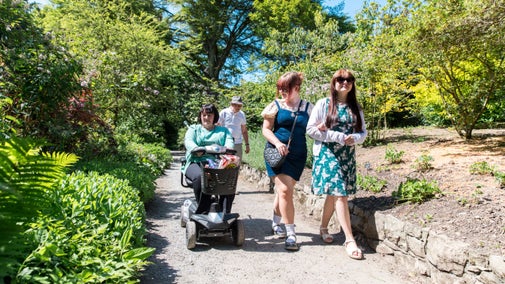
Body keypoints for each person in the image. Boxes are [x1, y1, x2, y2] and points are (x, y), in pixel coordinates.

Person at [306, 69, 367, 260]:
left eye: (349, 80)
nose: (345, 82)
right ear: (334, 83)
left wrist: (354, 138)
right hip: (328, 153)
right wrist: (337, 136)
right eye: (340, 79)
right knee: (340, 193)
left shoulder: (355, 106)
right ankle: (349, 240)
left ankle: (323, 227)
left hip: (347, 154)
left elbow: (363, 133)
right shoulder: (323, 104)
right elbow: (311, 130)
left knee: (334, 194)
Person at [261, 71, 312, 251]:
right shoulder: (275, 105)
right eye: (280, 89)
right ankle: (291, 234)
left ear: (296, 88)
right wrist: (277, 142)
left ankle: (275, 222)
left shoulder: (308, 107)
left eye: (285, 89)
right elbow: (266, 130)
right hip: (276, 152)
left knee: (285, 192)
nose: (281, 92)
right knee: (283, 190)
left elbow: (317, 128)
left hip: (298, 155)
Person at [182, 104, 236, 214]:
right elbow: (188, 141)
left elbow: (229, 142)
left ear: (214, 116)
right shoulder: (194, 129)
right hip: (196, 161)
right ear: (200, 116)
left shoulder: (223, 131)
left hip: (218, 162)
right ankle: (204, 209)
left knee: (230, 177)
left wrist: (228, 149)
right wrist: (195, 149)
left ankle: (224, 211)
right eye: (204, 115)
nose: (206, 118)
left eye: (209, 115)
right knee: (200, 177)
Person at [217, 96, 250, 161]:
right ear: (232, 104)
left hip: (237, 143)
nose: (238, 107)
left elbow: (244, 130)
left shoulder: (242, 114)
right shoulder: (224, 112)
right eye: (236, 105)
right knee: (224, 163)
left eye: (239, 106)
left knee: (236, 163)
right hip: (224, 142)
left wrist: (247, 144)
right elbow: (217, 126)